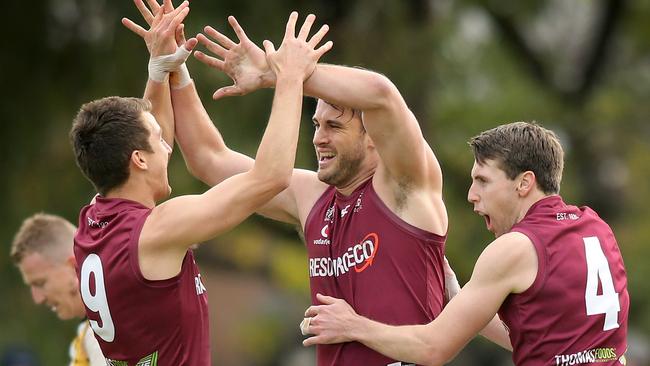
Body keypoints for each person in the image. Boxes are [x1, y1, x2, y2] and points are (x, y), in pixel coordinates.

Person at [158, 11, 477, 365]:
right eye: (316, 124)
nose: (319, 138)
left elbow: (382, 95)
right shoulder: (311, 195)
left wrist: (280, 75)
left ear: (374, 137)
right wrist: (173, 68)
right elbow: (208, 158)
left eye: (334, 126)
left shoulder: (406, 186)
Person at [70, 2, 332, 364]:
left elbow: (145, 138)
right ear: (139, 160)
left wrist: (161, 69)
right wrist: (290, 79)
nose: (168, 145)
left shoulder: (92, 222)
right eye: (158, 141)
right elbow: (270, 177)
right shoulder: (158, 229)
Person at [301, 121, 630, 366]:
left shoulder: (515, 248)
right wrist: (457, 296)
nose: (472, 195)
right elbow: (546, 341)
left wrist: (352, 325)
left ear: (524, 183)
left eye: (483, 181)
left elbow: (432, 348)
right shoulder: (595, 227)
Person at [10, 213, 105, 366]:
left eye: (40, 283)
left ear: (73, 266)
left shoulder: (114, 328)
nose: (38, 299)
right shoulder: (88, 334)